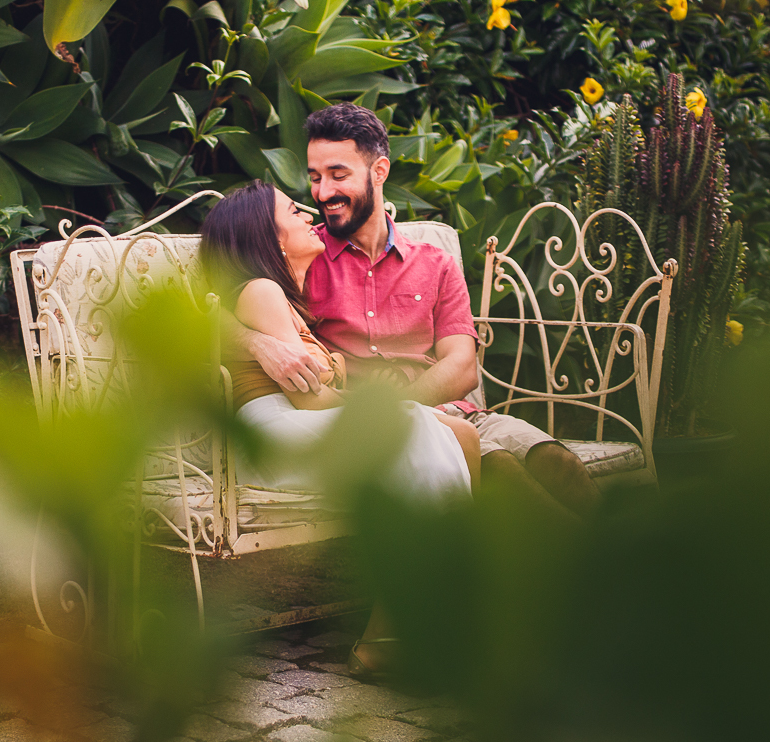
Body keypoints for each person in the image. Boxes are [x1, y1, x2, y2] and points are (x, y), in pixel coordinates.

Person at [230, 102, 602, 522]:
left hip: (449, 411)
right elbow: (218, 306)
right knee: (500, 469)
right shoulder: (303, 255)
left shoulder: (435, 262)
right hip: (371, 427)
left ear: (379, 172)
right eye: (315, 178)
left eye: (338, 175)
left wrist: (406, 411)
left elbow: (463, 367)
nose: (322, 193)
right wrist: (256, 343)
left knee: (558, 462)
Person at [202, 180, 482, 677]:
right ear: (270, 237)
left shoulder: (281, 300)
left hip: (294, 425)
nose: (310, 214)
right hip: (273, 433)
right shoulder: (263, 292)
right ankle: (396, 636)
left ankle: (431, 615)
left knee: (461, 436)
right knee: (411, 428)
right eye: (294, 212)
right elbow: (307, 396)